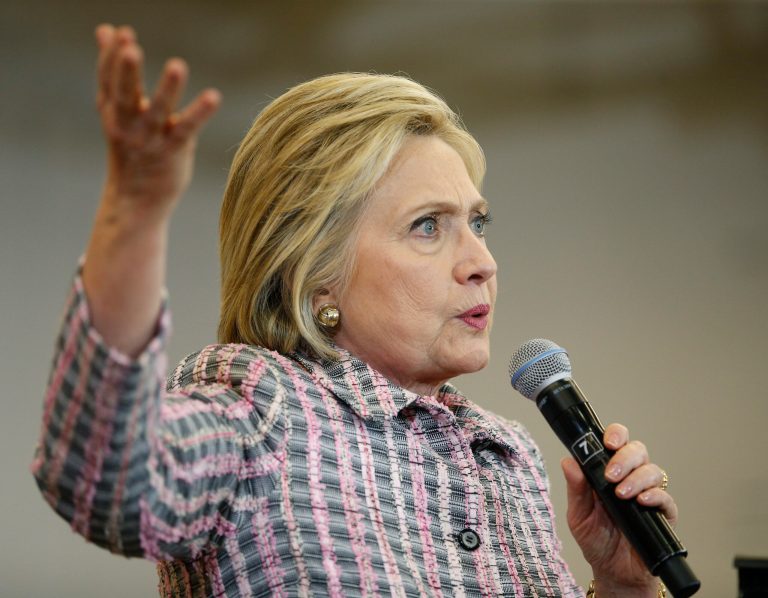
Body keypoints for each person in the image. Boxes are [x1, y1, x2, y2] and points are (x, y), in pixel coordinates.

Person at [32, 24, 678, 598]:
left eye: (477, 223)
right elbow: (106, 485)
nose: (482, 261)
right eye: (428, 226)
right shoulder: (261, 406)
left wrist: (622, 587)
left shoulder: (505, 453)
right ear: (317, 276)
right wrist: (131, 217)